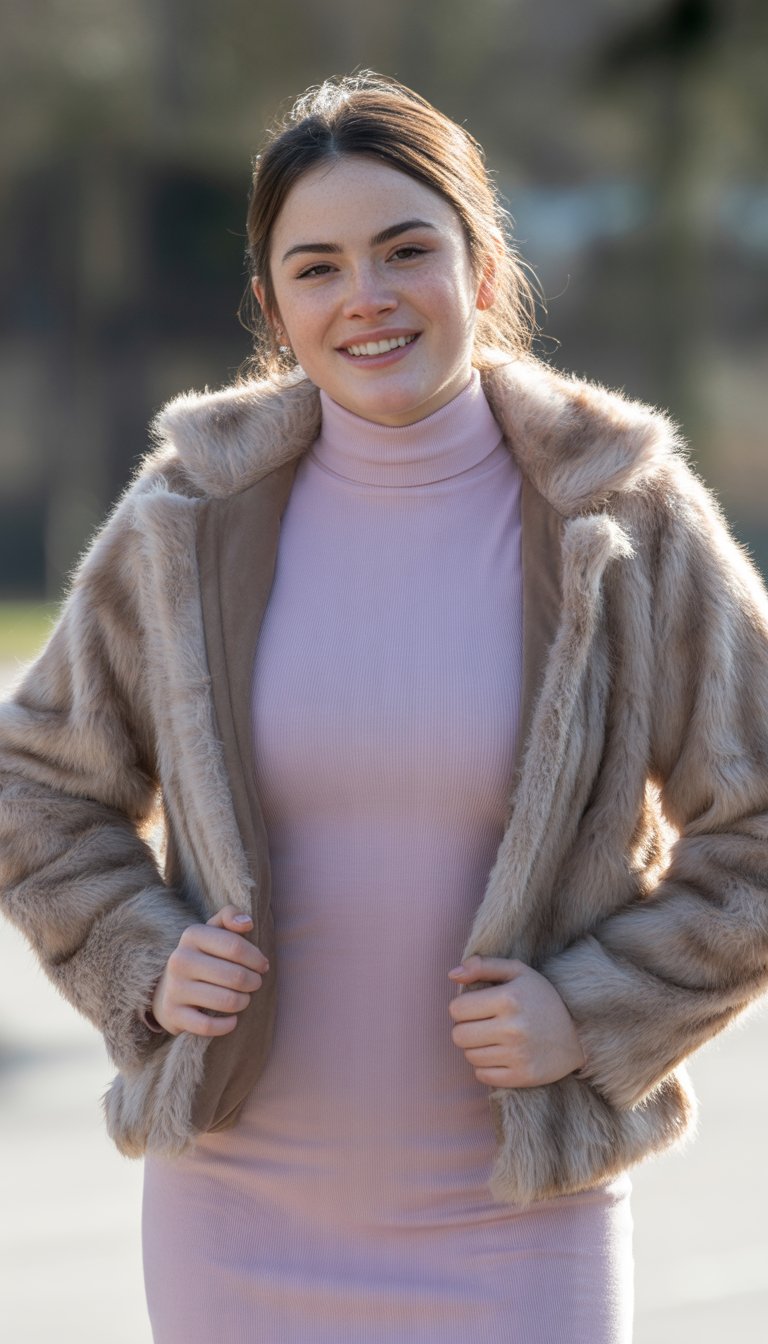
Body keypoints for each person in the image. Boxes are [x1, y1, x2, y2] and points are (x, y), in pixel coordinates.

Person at [1, 70, 768, 1344]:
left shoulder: (623, 517)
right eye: (318, 267)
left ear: (478, 266)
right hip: (236, 1204)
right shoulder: (184, 521)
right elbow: (33, 784)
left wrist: (593, 1008)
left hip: (518, 1213)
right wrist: (142, 958)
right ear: (273, 306)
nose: (366, 296)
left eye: (407, 250)